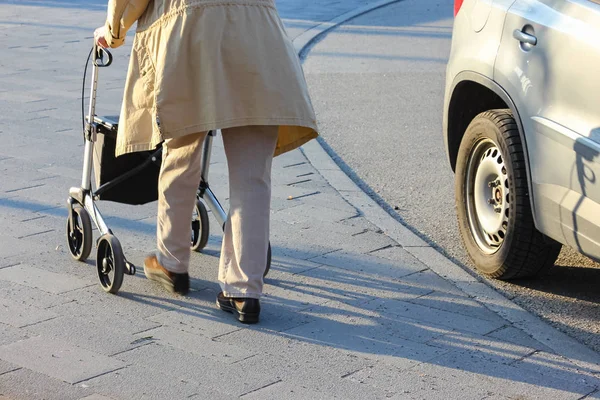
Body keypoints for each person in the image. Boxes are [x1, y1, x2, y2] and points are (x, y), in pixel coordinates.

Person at [94, 0, 318, 324]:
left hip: (188, 34)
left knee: (180, 154)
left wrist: (113, 31)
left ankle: (171, 264)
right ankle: (244, 289)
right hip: (258, 34)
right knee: (253, 174)